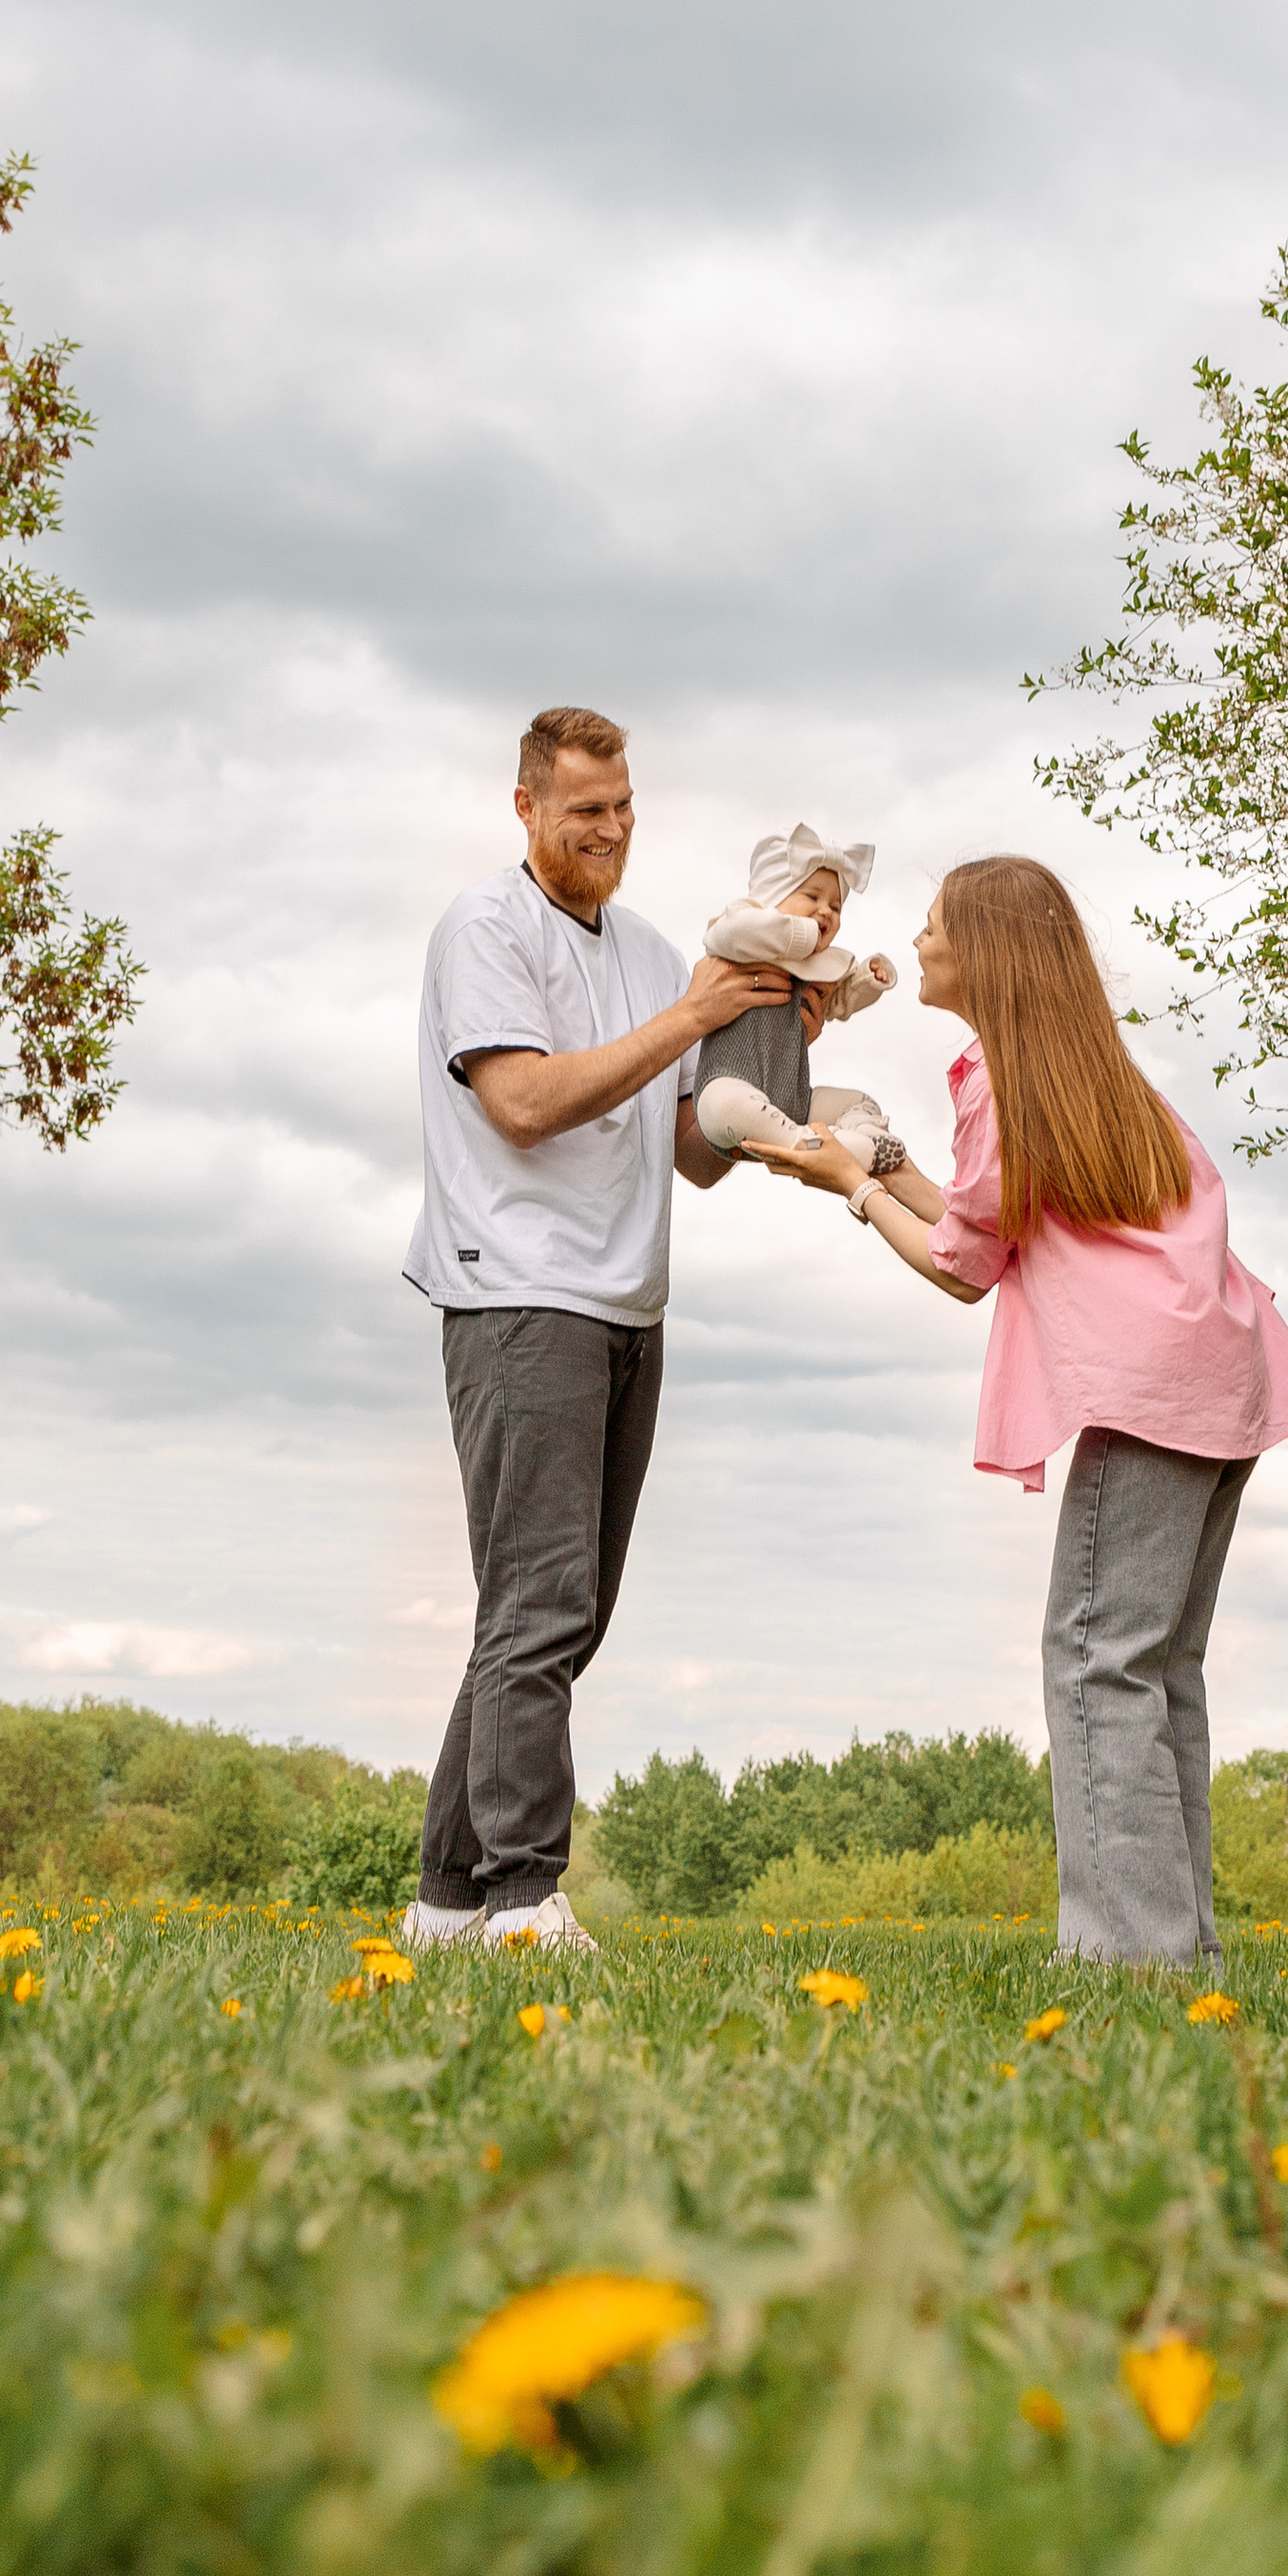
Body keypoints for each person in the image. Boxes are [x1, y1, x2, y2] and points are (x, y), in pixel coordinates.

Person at [751, 853, 1288, 1969]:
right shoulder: (1086, 1079)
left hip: (1151, 1394)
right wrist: (886, 1164)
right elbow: (989, 1227)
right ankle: (1177, 1949)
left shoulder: (1009, 1088)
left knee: (1092, 1659)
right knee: (1156, 1670)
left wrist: (853, 1191)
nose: (916, 941)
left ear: (987, 951)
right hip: (1218, 1383)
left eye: (933, 925)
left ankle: (1128, 1958)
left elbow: (961, 1274)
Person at [400, 706, 792, 1954]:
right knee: (541, 1602)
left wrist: (768, 1037)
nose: (612, 831)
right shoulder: (485, 929)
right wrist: (687, 1020)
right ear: (526, 806)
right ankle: (524, 1897)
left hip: (628, 1297)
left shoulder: (652, 951)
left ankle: (446, 1900)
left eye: (624, 807)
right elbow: (520, 1103)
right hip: (517, 1289)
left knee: (554, 1607)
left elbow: (698, 1155)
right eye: (585, 810)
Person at [690, 821, 909, 1176]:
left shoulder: (818, 967)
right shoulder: (741, 941)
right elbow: (727, 932)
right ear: (772, 897)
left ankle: (857, 1141)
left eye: (835, 907)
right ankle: (806, 1145)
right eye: (812, 897)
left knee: (860, 1102)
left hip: (795, 1102)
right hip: (732, 1089)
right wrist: (798, 935)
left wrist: (868, 979)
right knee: (722, 1105)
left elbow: (838, 1001)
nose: (825, 911)